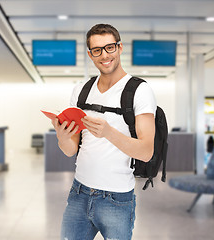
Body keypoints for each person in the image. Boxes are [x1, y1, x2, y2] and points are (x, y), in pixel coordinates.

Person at [51, 24, 157, 240]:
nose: (104, 55)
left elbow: (146, 151)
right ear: (90, 54)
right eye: (97, 50)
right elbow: (71, 150)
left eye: (109, 47)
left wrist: (109, 132)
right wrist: (62, 136)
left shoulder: (139, 90)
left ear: (120, 48)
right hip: (79, 193)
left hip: (117, 198)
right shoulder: (80, 91)